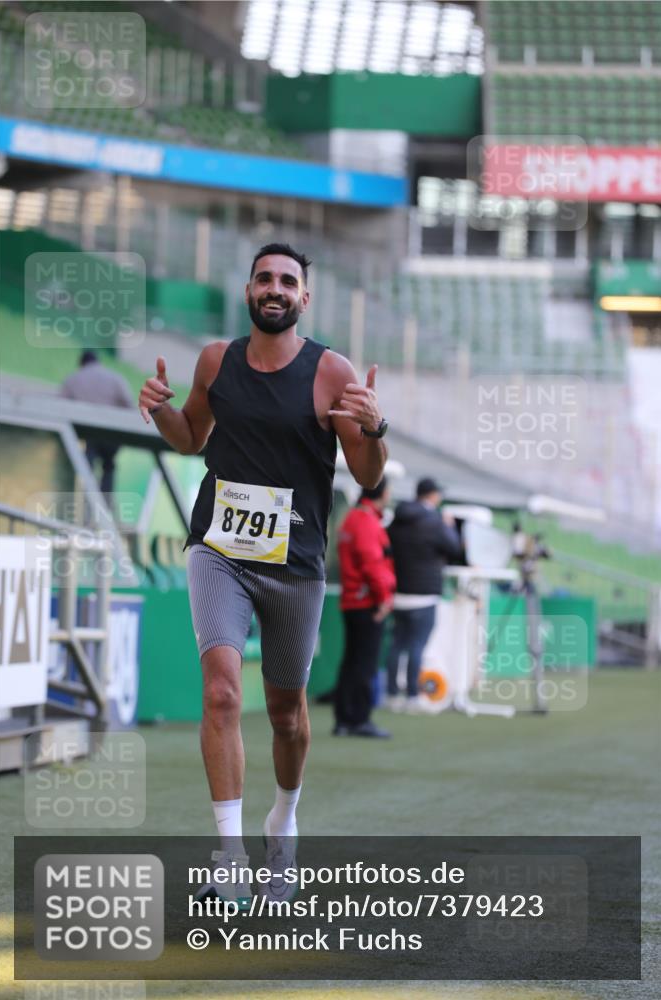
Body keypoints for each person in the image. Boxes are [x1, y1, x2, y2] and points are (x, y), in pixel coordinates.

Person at [138, 242, 388, 905]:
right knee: (221, 691)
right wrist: (159, 408)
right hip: (218, 549)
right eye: (263, 278)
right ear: (248, 291)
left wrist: (375, 427)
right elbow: (191, 437)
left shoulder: (330, 373)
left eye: (287, 281)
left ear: (304, 297)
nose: (273, 288)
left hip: (295, 565)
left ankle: (284, 820)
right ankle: (229, 855)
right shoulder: (216, 360)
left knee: (286, 716)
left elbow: (367, 476)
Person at [385, 477, 463, 712]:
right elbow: (454, 547)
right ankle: (412, 696)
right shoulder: (434, 521)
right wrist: (449, 526)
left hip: (399, 592)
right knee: (417, 645)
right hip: (425, 593)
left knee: (397, 645)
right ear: (431, 495)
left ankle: (391, 696)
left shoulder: (397, 520)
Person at [333, 476, 396, 739]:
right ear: (382, 492)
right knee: (364, 663)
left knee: (352, 661)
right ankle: (358, 719)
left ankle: (345, 719)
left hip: (354, 599)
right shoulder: (366, 521)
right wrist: (383, 598)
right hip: (366, 600)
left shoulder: (352, 518)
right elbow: (372, 563)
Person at [60, 350, 134, 495]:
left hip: (88, 434)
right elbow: (129, 405)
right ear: (97, 361)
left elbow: (61, 404)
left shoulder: (74, 379)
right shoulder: (115, 378)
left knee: (87, 467)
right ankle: (105, 503)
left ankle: (88, 502)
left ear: (82, 364)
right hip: (112, 434)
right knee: (109, 465)